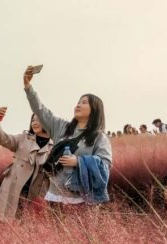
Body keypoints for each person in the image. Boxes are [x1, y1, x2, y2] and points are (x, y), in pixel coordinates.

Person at [23, 65, 112, 206]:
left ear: (95, 109)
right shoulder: (61, 127)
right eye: (78, 102)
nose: (78, 105)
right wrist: (28, 86)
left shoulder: (100, 138)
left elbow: (105, 165)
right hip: (53, 198)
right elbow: (41, 111)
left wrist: (79, 161)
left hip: (82, 201)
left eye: (84, 102)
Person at [0, 110, 53, 220]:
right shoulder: (23, 138)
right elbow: (4, 139)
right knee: (7, 222)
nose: (34, 122)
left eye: (38, 119)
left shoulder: (54, 146)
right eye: (32, 120)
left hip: (36, 193)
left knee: (29, 226)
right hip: (14, 188)